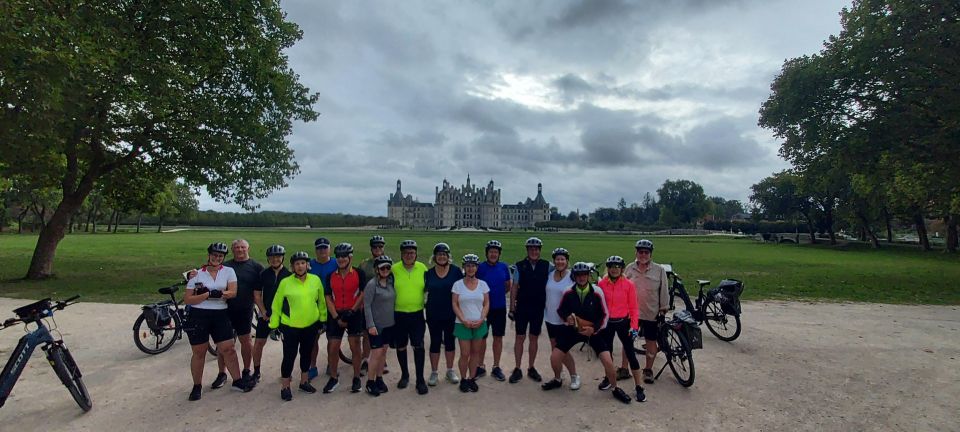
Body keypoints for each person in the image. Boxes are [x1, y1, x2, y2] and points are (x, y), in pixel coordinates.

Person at [541, 262, 632, 404]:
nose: (582, 277)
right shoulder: (568, 291)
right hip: (574, 331)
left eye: (584, 275)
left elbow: (604, 315)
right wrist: (567, 318)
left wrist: (594, 330)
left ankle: (615, 388)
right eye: (578, 275)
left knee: (608, 361)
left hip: (593, 332)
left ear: (589, 276)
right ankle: (558, 379)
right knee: (555, 357)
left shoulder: (597, 291)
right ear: (574, 277)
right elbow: (561, 310)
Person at [184, 242, 253, 401]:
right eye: (214, 255)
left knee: (228, 348)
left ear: (223, 258)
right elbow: (188, 299)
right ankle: (197, 386)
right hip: (199, 314)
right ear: (209, 255)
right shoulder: (197, 274)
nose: (217, 258)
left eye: (220, 256)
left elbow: (233, 292)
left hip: (220, 314)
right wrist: (207, 295)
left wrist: (219, 293)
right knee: (199, 352)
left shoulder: (229, 271)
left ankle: (237, 380)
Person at [269, 251, 326, 401]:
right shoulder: (285, 282)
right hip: (290, 326)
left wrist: (323, 319)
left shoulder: (315, 280)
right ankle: (285, 386)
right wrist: (274, 325)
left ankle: (304, 381)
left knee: (306, 354)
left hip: (310, 325)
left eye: (303, 263)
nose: (300, 266)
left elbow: (321, 302)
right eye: (297, 264)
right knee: (289, 356)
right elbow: (277, 305)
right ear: (292, 266)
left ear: (308, 265)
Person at [211, 239, 264, 388]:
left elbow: (264, 288)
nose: (239, 250)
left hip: (244, 309)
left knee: (246, 341)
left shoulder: (256, 267)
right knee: (223, 344)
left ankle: (246, 370)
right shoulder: (225, 266)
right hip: (224, 309)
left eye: (242, 247)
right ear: (232, 250)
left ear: (248, 248)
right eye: (236, 247)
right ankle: (222, 373)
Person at [598, 255, 646, 402]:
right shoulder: (602, 284)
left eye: (617, 267)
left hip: (623, 322)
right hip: (607, 323)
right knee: (608, 353)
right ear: (608, 268)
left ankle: (639, 387)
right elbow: (599, 305)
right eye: (611, 267)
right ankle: (608, 378)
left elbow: (634, 308)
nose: (614, 269)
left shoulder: (628, 284)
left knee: (631, 354)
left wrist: (634, 326)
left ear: (622, 269)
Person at [321, 243, 367, 393]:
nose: (341, 259)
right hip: (336, 313)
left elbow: (363, 293)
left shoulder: (359, 273)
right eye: (339, 256)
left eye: (344, 256)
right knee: (333, 347)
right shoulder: (330, 276)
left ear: (350, 257)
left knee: (355, 346)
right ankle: (333, 378)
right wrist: (335, 316)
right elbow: (328, 297)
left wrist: (352, 311)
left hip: (353, 313)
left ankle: (356, 378)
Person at [623, 239, 669, 385]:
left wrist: (663, 308)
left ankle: (648, 369)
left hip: (651, 312)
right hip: (632, 313)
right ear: (636, 253)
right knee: (628, 340)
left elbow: (664, 291)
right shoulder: (629, 268)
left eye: (646, 252)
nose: (643, 255)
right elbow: (622, 288)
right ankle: (624, 368)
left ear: (650, 254)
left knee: (651, 342)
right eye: (640, 252)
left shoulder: (659, 270)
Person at [391, 239, 429, 395]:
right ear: (401, 254)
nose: (409, 255)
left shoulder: (422, 268)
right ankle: (405, 375)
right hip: (398, 313)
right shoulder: (394, 269)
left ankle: (420, 379)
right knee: (401, 345)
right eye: (406, 253)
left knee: (418, 346)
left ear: (416, 254)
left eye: (412, 253)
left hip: (417, 313)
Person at [509, 237, 549, 383]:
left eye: (536, 249)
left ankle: (531, 367)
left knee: (533, 337)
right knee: (520, 337)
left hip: (538, 307)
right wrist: (512, 307)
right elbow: (514, 287)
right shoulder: (520, 265)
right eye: (531, 249)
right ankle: (517, 367)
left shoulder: (547, 266)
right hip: (523, 307)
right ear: (527, 250)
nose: (534, 251)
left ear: (539, 250)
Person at [424, 242, 463, 386]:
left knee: (450, 342)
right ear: (434, 257)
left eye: (444, 254)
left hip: (450, 313)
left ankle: (450, 370)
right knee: (434, 342)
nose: (441, 257)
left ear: (448, 256)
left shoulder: (456, 271)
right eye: (439, 254)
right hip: (433, 313)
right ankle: (434, 372)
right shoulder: (428, 273)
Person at [252, 244, 291, 384]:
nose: (275, 259)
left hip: (284, 315)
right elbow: (257, 295)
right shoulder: (263, 274)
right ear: (268, 259)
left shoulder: (290, 275)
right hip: (267, 314)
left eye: (278, 257)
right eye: (272, 257)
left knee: (288, 345)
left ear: (282, 258)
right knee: (258, 343)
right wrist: (263, 312)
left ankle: (286, 373)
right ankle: (256, 371)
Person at [543, 247, 580, 390]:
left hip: (564, 320)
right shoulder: (550, 275)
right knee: (555, 350)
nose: (560, 261)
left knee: (562, 350)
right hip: (550, 318)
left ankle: (574, 375)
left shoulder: (571, 277)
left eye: (562, 259)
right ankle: (557, 377)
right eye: (557, 259)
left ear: (567, 261)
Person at [452, 254, 490, 393]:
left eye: (473, 266)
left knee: (475, 353)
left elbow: (486, 304)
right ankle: (463, 379)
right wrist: (463, 320)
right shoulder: (458, 285)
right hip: (462, 323)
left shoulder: (483, 284)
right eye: (468, 265)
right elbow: (455, 304)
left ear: (477, 268)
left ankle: (472, 378)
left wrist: (481, 318)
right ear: (464, 267)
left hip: (479, 323)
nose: (470, 268)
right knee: (465, 353)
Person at [475, 240, 511, 381]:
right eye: (491, 252)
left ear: (499, 254)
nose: (493, 254)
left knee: (498, 337)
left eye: (496, 252)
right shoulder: (480, 268)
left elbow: (507, 286)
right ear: (487, 253)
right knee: (482, 337)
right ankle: (480, 365)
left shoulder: (503, 267)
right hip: (483, 309)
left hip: (499, 307)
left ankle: (496, 366)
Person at [363, 255, 396, 396]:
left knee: (383, 353)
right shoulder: (372, 285)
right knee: (375, 354)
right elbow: (367, 306)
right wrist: (370, 325)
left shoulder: (390, 283)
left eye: (388, 267)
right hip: (376, 326)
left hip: (389, 324)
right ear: (377, 269)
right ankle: (370, 382)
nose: (385, 270)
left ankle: (379, 378)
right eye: (382, 267)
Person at [307, 237, 337, 381]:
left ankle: (331, 365)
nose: (322, 251)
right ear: (316, 250)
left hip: (332, 306)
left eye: (325, 248)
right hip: (314, 306)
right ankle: (312, 366)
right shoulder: (309, 264)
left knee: (332, 339)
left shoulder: (337, 263)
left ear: (329, 249)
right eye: (319, 248)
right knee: (313, 340)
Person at [357, 235, 386, 372]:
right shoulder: (364, 264)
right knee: (367, 333)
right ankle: (365, 359)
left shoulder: (387, 263)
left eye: (380, 246)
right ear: (371, 249)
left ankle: (380, 360)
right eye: (375, 247)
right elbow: (359, 284)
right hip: (367, 303)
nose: (378, 249)